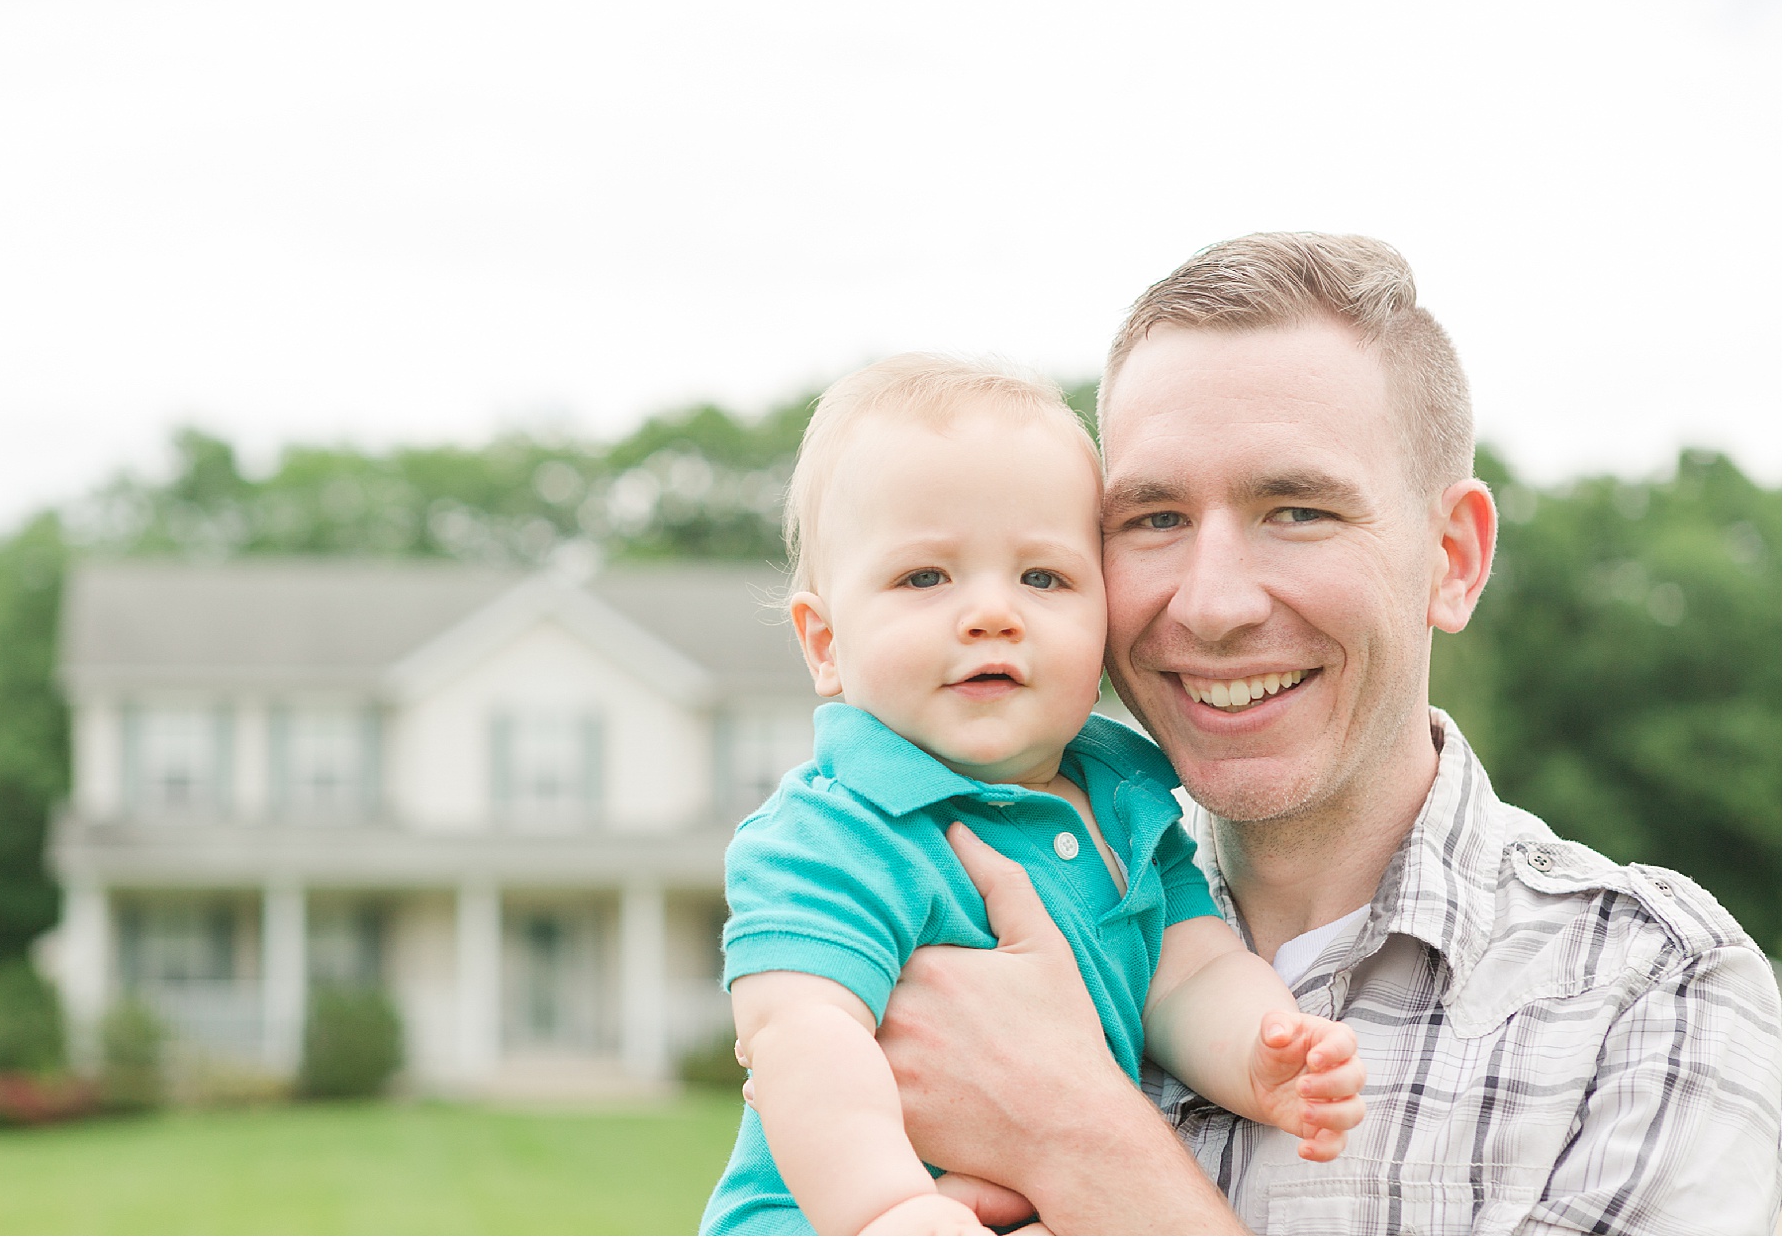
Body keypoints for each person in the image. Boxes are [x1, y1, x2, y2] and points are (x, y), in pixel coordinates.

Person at [872, 233, 1784, 1234]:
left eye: (1295, 510)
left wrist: (1075, 1137)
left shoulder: (1647, 989)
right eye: (1154, 518)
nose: (1211, 604)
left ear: (1452, 558)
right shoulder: (955, 937)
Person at [700, 355, 1366, 1235]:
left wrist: (1263, 1051)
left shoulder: (1126, 800)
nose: (991, 615)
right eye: (925, 578)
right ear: (825, 642)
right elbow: (803, 1038)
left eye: (1043, 578)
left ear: (1105, 625)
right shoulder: (833, 828)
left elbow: (1189, 973)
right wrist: (891, 1212)